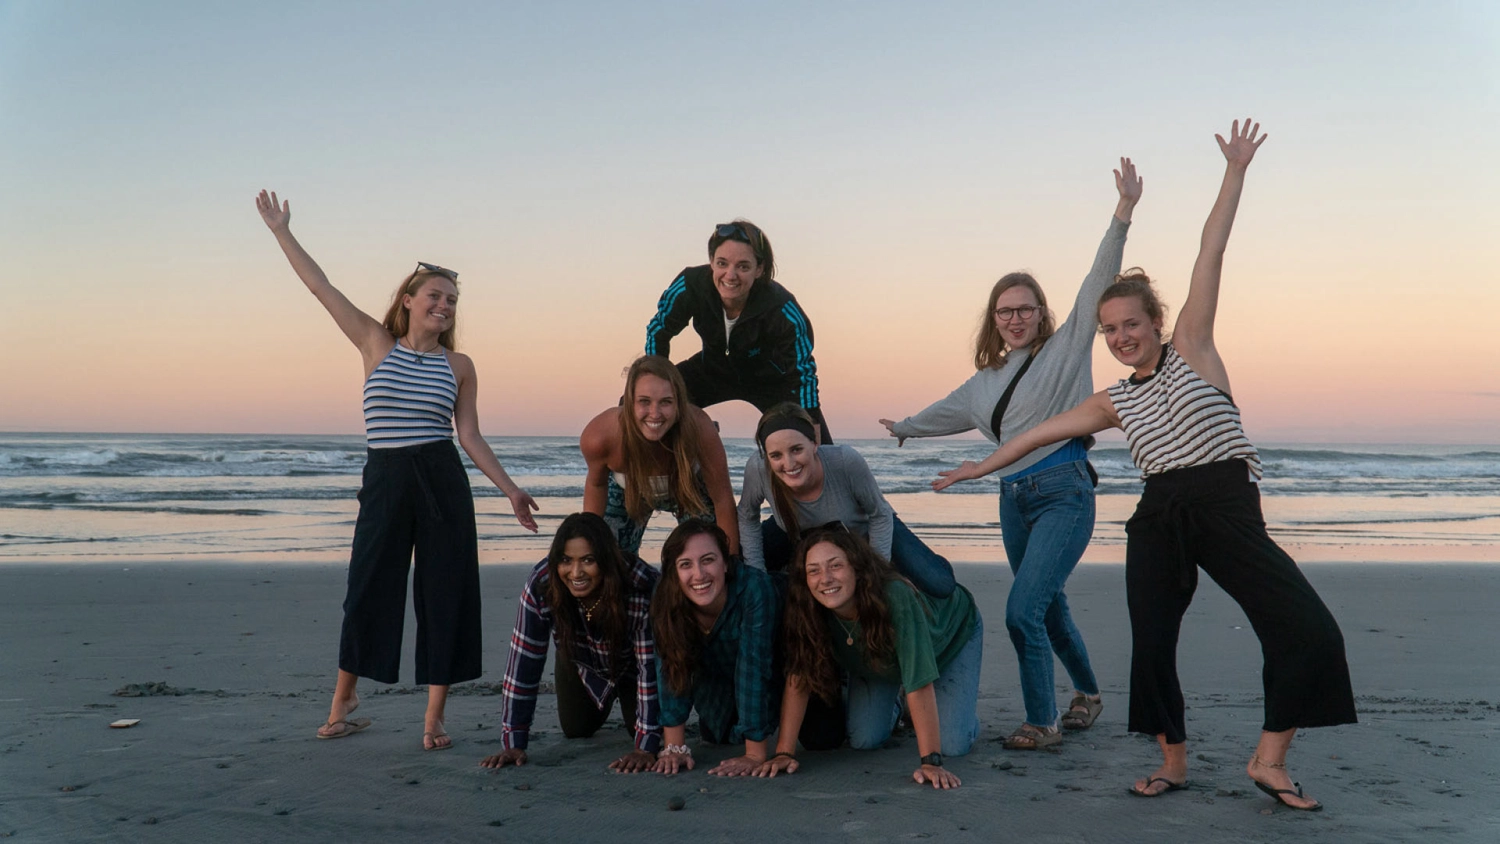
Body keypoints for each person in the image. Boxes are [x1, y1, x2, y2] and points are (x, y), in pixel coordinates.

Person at [932, 120, 1356, 809]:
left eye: (1130, 324)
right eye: (1109, 331)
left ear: (1155, 320)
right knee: (1153, 645)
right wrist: (977, 471)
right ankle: (1173, 762)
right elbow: (1036, 434)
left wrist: (1235, 172)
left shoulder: (1194, 347)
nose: (1121, 338)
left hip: (1226, 507)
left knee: (1307, 630)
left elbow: (1210, 251)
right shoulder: (1114, 401)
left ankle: (1270, 760)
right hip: (1159, 516)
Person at [255, 190, 539, 751]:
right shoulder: (374, 342)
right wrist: (282, 232)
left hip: (440, 481)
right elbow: (321, 288)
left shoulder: (459, 366)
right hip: (385, 480)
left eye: (453, 299)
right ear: (408, 300)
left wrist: (510, 490)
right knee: (368, 588)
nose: (446, 305)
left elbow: (470, 436)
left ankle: (434, 716)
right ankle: (344, 699)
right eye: (436, 295)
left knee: (445, 593)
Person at [881, 158, 1142, 750]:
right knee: (1047, 609)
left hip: (1064, 492)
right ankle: (1089, 695)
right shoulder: (984, 383)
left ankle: (1042, 721)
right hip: (1012, 501)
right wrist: (905, 427)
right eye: (1005, 311)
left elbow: (1097, 281)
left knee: (1022, 610)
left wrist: (1122, 214)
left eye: (1025, 308)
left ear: (1041, 314)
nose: (1016, 317)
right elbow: (945, 410)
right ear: (993, 321)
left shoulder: (1067, 349)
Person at [754, 529, 982, 790]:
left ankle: (958, 711)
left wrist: (930, 761)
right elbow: (800, 675)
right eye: (813, 571)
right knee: (865, 739)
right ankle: (900, 703)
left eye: (836, 566)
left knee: (953, 744)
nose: (825, 579)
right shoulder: (810, 608)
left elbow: (919, 683)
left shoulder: (895, 597)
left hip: (951, 636)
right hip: (883, 662)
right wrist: (785, 752)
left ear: (857, 568)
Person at [480, 513, 661, 772]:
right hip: (579, 659)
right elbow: (523, 662)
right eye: (566, 560)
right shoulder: (542, 583)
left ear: (606, 560)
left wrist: (645, 746)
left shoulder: (641, 586)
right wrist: (513, 742)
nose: (575, 572)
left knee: (642, 730)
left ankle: (625, 700)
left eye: (588, 560)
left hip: (634, 667)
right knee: (577, 729)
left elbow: (651, 669)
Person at [644, 219, 833, 443]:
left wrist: (813, 428)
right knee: (637, 405)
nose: (730, 275)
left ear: (759, 269)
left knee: (815, 444)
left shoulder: (781, 307)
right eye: (722, 263)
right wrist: (656, 385)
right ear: (711, 262)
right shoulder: (691, 285)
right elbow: (659, 331)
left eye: (743, 266)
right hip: (711, 369)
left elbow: (803, 371)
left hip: (769, 380)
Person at [740, 403, 956, 599]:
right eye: (776, 455)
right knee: (741, 572)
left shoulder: (844, 461)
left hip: (862, 529)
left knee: (940, 585)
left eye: (796, 450)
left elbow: (879, 514)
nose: (788, 463)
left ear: (814, 443)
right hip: (795, 532)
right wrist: (757, 572)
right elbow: (747, 516)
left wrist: (876, 570)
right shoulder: (758, 469)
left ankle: (908, 565)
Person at [650, 521, 781, 777]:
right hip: (716, 674)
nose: (699, 574)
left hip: (776, 668)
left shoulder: (754, 589)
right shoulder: (664, 595)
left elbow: (754, 666)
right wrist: (675, 747)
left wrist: (754, 753)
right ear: (674, 572)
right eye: (685, 564)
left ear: (725, 563)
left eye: (708, 560)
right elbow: (670, 664)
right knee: (718, 734)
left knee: (821, 734)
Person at [580, 356, 738, 557]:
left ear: (679, 403)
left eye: (666, 402)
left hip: (688, 489)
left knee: (709, 556)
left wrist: (732, 565)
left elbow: (722, 499)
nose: (655, 414)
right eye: (644, 401)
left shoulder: (700, 429)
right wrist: (587, 552)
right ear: (629, 402)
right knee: (609, 558)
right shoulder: (600, 436)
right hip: (629, 491)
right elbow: (596, 485)